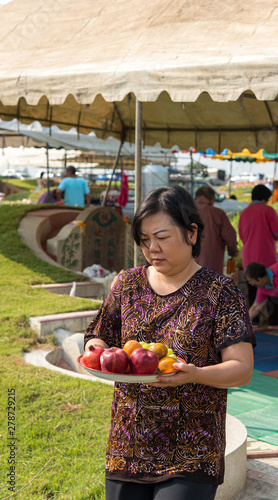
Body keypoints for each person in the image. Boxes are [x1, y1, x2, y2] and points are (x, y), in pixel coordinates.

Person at [84, 185, 256, 500]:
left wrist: (196, 374)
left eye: (162, 238)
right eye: (145, 241)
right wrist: (95, 353)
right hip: (129, 443)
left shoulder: (220, 291)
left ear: (192, 233)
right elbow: (98, 334)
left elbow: (242, 369)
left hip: (193, 449)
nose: (153, 249)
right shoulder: (128, 283)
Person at [238, 184, 278, 327]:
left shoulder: (244, 212)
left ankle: (254, 322)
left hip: (249, 255)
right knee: (271, 286)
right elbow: (277, 233)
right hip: (266, 256)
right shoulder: (268, 210)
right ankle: (273, 322)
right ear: (265, 198)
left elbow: (242, 236)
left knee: (252, 287)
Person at [194, 186, 238, 274]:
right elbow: (230, 237)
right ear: (211, 199)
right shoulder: (218, 213)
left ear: (196, 198)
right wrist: (232, 252)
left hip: (185, 267)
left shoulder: (184, 213)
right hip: (211, 265)